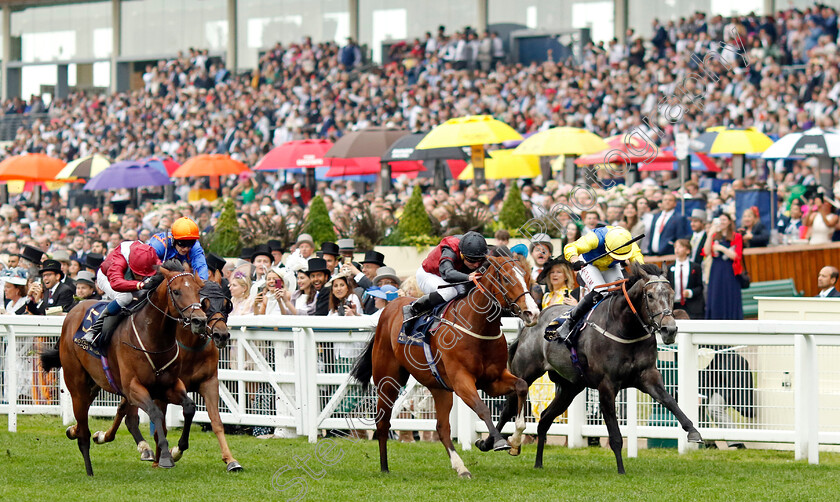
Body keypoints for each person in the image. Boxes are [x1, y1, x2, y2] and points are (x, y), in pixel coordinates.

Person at [545, 226, 643, 342]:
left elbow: (639, 263)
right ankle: (569, 323)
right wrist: (575, 260)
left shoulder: (628, 241)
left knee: (619, 291)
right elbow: (571, 247)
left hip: (610, 266)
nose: (614, 257)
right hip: (589, 264)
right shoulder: (595, 238)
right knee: (601, 292)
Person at [75, 241, 160, 351]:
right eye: (138, 274)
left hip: (127, 276)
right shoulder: (118, 260)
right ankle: (93, 331)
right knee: (126, 297)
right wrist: (140, 284)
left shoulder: (147, 254)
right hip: (107, 277)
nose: (141, 277)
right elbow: (116, 284)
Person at [403, 231, 488, 324]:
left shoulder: (480, 250)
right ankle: (413, 308)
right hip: (429, 274)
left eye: (479, 260)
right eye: (472, 261)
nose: (476, 265)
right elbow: (447, 273)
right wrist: (468, 277)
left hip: (452, 277)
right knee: (449, 292)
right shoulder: (450, 248)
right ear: (462, 253)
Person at [704, 213, 744, 320]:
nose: (722, 222)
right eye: (720, 220)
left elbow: (736, 256)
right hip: (716, 269)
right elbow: (706, 251)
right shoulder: (714, 236)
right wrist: (709, 234)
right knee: (716, 295)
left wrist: (722, 248)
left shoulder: (737, 236)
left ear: (730, 222)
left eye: (724, 220)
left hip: (730, 269)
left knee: (730, 295)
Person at [666, 239, 705, 319]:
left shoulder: (695, 267)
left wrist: (690, 292)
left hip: (691, 306)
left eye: (680, 247)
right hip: (674, 305)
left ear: (687, 251)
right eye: (675, 247)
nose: (677, 249)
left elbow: (700, 287)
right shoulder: (669, 268)